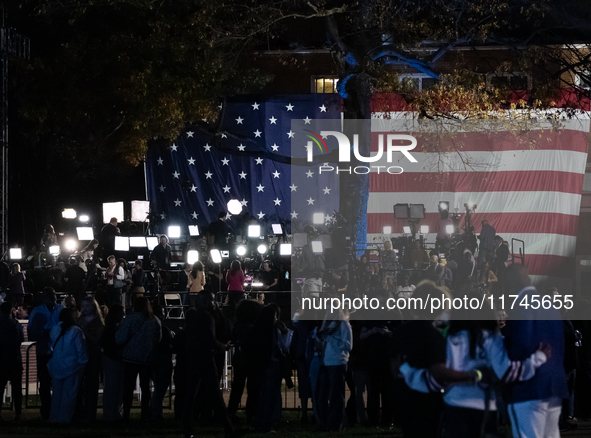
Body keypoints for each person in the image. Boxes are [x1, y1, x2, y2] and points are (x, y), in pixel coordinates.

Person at [503, 264, 568, 438]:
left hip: (529, 388)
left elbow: (520, 344)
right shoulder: (551, 307)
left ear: (509, 284)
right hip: (554, 383)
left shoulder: (519, 305)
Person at [182, 291, 236, 438]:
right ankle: (228, 428)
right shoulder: (207, 317)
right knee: (215, 395)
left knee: (190, 395)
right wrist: (222, 346)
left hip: (193, 358)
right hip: (205, 358)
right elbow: (210, 339)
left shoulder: (192, 317)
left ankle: (188, 429)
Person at [116, 297, 162, 421]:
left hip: (130, 357)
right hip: (147, 358)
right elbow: (158, 339)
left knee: (128, 387)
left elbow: (120, 338)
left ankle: (126, 414)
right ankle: (144, 414)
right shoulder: (155, 320)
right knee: (145, 387)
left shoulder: (130, 319)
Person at [27, 287, 64, 420]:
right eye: (50, 295)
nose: (53, 297)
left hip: (58, 352)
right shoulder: (37, 311)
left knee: (58, 381)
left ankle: (57, 409)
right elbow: (31, 332)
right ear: (44, 297)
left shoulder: (61, 309)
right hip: (43, 351)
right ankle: (46, 410)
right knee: (44, 382)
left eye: (54, 294)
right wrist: (43, 333)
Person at [47, 307, 88, 423]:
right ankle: (64, 419)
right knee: (69, 395)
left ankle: (54, 417)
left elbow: (51, 347)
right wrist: (82, 363)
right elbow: (81, 350)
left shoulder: (55, 328)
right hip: (72, 367)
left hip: (57, 365)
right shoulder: (76, 331)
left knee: (56, 395)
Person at [317, 309, 353, 431]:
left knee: (336, 396)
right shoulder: (328, 324)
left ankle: (335, 424)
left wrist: (331, 339)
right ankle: (326, 423)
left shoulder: (343, 324)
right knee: (323, 396)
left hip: (337, 362)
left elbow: (348, 345)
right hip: (326, 363)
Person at [77, 296, 105, 421]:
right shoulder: (80, 319)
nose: (85, 308)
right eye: (83, 306)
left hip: (93, 355)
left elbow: (96, 339)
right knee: (79, 384)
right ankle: (79, 411)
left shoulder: (98, 322)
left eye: (88, 306)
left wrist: (84, 331)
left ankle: (90, 413)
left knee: (92, 384)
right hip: (80, 354)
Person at [0, 302, 24, 423]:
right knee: (17, 388)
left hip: (2, 360)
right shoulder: (16, 325)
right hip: (15, 359)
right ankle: (18, 414)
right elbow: (21, 339)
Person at [150, 305, 174, 422]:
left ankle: (154, 412)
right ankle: (155, 413)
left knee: (158, 388)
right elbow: (170, 344)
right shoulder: (163, 329)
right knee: (160, 388)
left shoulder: (153, 327)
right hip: (162, 360)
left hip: (154, 359)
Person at [101, 304, 125, 422]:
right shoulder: (112, 328)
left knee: (114, 387)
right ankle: (111, 413)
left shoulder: (110, 327)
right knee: (113, 387)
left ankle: (113, 412)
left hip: (111, 357)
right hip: (113, 358)